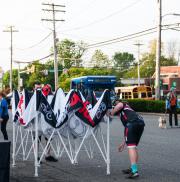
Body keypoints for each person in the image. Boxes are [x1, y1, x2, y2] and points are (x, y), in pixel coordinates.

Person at [110, 100, 145, 179]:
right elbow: (128, 133)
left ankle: (134, 171)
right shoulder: (127, 111)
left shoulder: (122, 104)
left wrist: (111, 112)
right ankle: (133, 167)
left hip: (132, 123)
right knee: (133, 146)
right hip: (140, 124)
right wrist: (124, 143)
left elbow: (119, 105)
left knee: (131, 147)